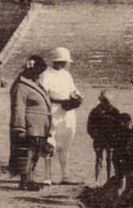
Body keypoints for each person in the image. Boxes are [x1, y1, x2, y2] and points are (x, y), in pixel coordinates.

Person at [39, 47, 82, 185]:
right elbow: (46, 94)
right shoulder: (46, 75)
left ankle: (65, 175)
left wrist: (76, 97)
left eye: (64, 62)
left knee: (65, 145)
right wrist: (63, 100)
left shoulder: (66, 75)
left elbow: (73, 90)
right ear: (55, 61)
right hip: (53, 111)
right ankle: (47, 176)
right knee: (49, 143)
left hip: (67, 113)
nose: (63, 64)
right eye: (61, 61)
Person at [9, 55, 52, 191]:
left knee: (35, 154)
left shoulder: (35, 84)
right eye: (37, 72)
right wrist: (19, 128)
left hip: (40, 127)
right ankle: (25, 181)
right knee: (27, 153)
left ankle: (29, 179)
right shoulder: (21, 86)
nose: (39, 75)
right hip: (29, 126)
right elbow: (18, 108)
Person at [86, 90, 122, 185]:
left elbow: (119, 126)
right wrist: (95, 135)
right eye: (104, 100)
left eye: (107, 101)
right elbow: (89, 127)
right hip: (99, 139)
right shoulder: (95, 111)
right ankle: (97, 180)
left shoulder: (115, 111)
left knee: (109, 159)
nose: (106, 103)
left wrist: (115, 137)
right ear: (101, 100)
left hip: (110, 139)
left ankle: (108, 179)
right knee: (99, 159)